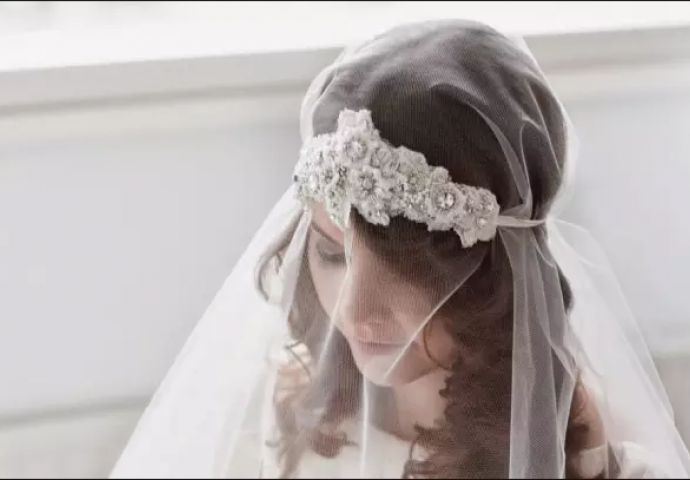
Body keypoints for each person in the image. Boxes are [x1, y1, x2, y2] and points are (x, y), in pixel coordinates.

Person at [112, 21, 690, 479]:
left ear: (496, 276)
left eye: (405, 267)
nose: (353, 310)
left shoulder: (584, 462)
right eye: (332, 254)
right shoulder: (281, 410)